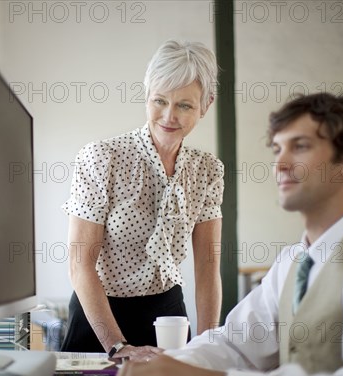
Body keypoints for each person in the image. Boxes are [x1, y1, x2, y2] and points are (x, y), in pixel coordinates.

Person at [118, 92, 343, 376]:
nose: (279, 164)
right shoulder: (292, 261)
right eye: (277, 149)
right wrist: (166, 366)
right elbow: (234, 344)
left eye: (300, 147)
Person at [60, 39, 224, 358]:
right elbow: (80, 265)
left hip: (167, 312)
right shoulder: (101, 158)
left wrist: (210, 348)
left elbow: (207, 266)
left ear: (206, 105)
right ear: (147, 96)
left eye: (185, 105)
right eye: (159, 101)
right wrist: (118, 345)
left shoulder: (208, 169)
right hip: (100, 316)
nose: (169, 116)